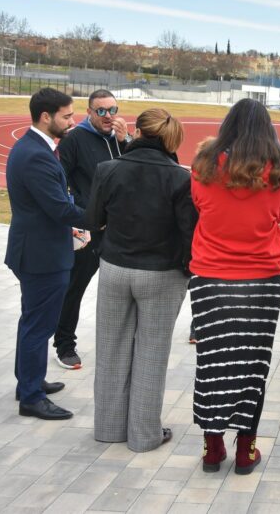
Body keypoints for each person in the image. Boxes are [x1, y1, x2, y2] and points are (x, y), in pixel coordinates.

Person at [189, 99, 280, 474]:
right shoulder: (279, 169)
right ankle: (246, 450)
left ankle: (212, 447)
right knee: (253, 363)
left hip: (210, 277)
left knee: (212, 361)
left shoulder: (202, 164)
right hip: (261, 279)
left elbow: (200, 205)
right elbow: (277, 215)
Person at [86, 108, 197, 452]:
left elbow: (93, 220)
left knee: (111, 349)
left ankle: (107, 428)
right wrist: (186, 269)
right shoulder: (181, 179)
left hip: (115, 268)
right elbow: (190, 234)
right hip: (161, 274)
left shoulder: (108, 169)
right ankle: (144, 434)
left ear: (137, 131)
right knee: (151, 352)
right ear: (170, 140)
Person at [4, 88, 87, 420]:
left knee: (33, 321)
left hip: (37, 248)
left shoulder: (34, 146)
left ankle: (28, 381)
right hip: (41, 255)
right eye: (67, 116)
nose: (72, 121)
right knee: (39, 325)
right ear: (45, 117)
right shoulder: (36, 154)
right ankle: (31, 397)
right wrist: (100, 216)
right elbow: (58, 207)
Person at [54, 89, 131, 371]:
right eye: (101, 111)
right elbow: (58, 180)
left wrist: (126, 141)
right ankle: (64, 344)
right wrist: (76, 218)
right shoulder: (74, 139)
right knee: (74, 287)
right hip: (89, 228)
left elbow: (135, 169)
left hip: (119, 228)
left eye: (113, 110)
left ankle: (120, 343)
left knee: (123, 288)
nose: (109, 116)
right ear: (89, 112)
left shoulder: (121, 140)